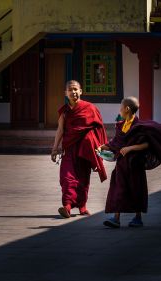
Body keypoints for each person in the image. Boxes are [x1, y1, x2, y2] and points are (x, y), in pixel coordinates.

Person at [97, 96, 161, 228]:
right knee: (118, 189)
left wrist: (130, 148)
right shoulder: (121, 126)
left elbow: (147, 144)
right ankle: (116, 218)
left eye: (120, 108)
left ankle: (137, 217)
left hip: (135, 164)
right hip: (121, 165)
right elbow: (115, 143)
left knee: (136, 190)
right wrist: (101, 147)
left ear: (127, 109)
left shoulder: (139, 127)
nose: (119, 111)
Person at [51, 80, 107, 218]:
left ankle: (82, 206)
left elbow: (99, 129)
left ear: (81, 91)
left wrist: (100, 148)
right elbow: (60, 130)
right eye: (70, 90)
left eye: (76, 89)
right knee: (67, 177)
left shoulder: (90, 108)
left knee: (83, 177)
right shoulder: (64, 111)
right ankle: (67, 206)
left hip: (85, 149)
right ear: (66, 93)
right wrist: (54, 148)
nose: (73, 92)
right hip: (69, 148)